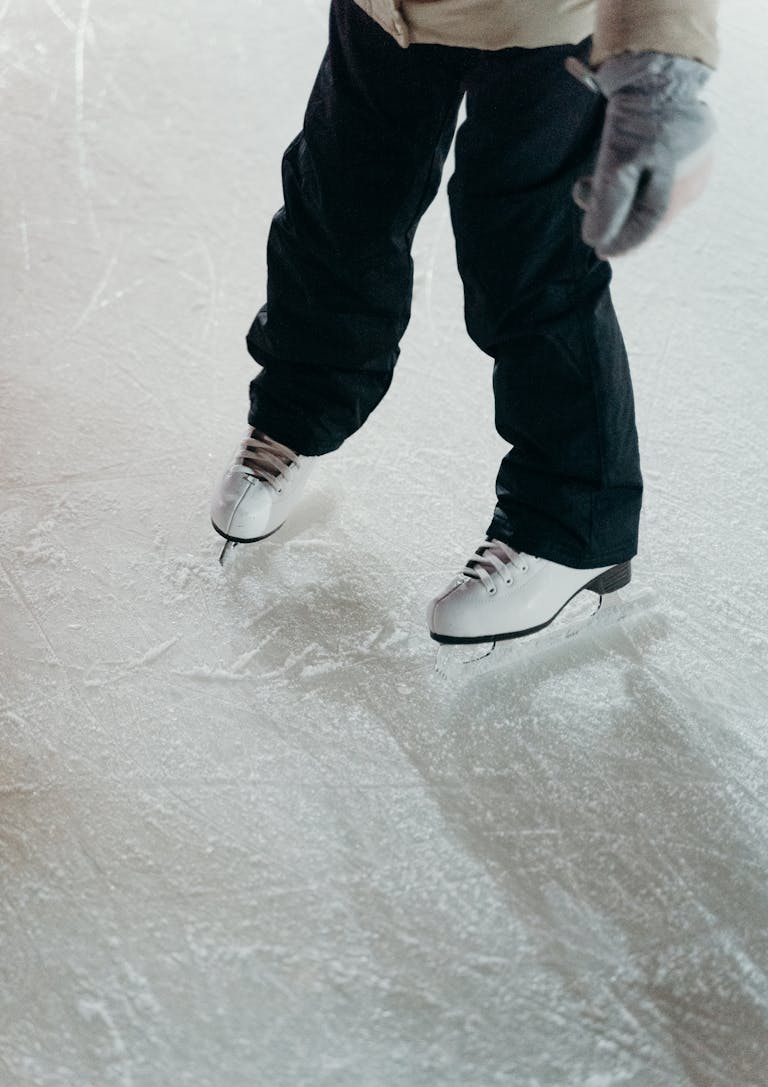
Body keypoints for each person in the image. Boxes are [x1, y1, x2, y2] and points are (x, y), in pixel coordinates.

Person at [210, 0, 717, 645]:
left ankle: (573, 522)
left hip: (543, 24)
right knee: (340, 197)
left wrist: (662, 67)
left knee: (527, 253)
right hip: (386, 10)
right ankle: (300, 412)